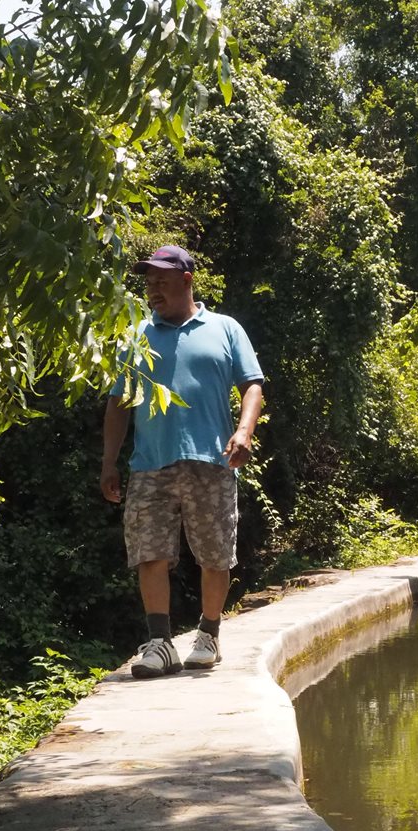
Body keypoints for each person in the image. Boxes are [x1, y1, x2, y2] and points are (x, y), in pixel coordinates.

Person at [100, 245, 265, 679]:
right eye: (148, 280)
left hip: (211, 459)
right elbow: (118, 403)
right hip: (150, 463)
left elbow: (252, 386)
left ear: (186, 278)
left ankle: (208, 635)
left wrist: (244, 431)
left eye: (161, 279)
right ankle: (160, 644)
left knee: (214, 552)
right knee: (148, 551)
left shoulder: (225, 328)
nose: (152, 287)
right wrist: (109, 462)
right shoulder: (137, 336)